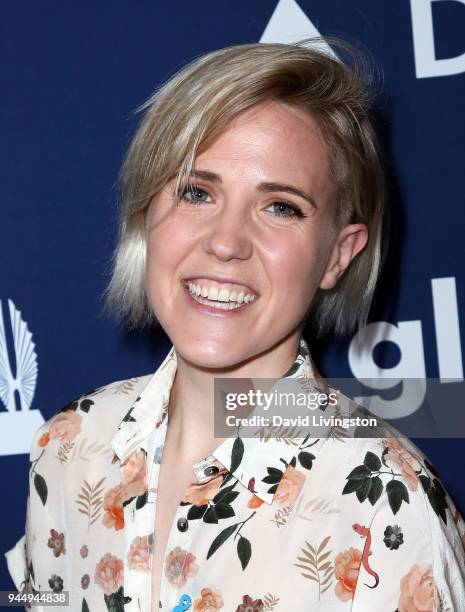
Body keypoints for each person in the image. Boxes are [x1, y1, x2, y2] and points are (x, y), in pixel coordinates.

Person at [5, 37, 465, 612]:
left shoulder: (387, 505)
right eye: (197, 192)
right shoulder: (67, 446)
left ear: (337, 256)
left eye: (281, 207)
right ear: (148, 216)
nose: (225, 243)